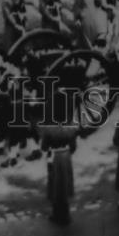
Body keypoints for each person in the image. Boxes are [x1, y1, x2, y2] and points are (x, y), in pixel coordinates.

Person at [39, 90, 79, 226]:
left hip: (54, 156)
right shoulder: (71, 126)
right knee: (65, 183)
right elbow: (74, 146)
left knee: (55, 184)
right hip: (66, 155)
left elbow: (44, 147)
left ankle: (57, 213)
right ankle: (65, 213)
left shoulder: (48, 127)